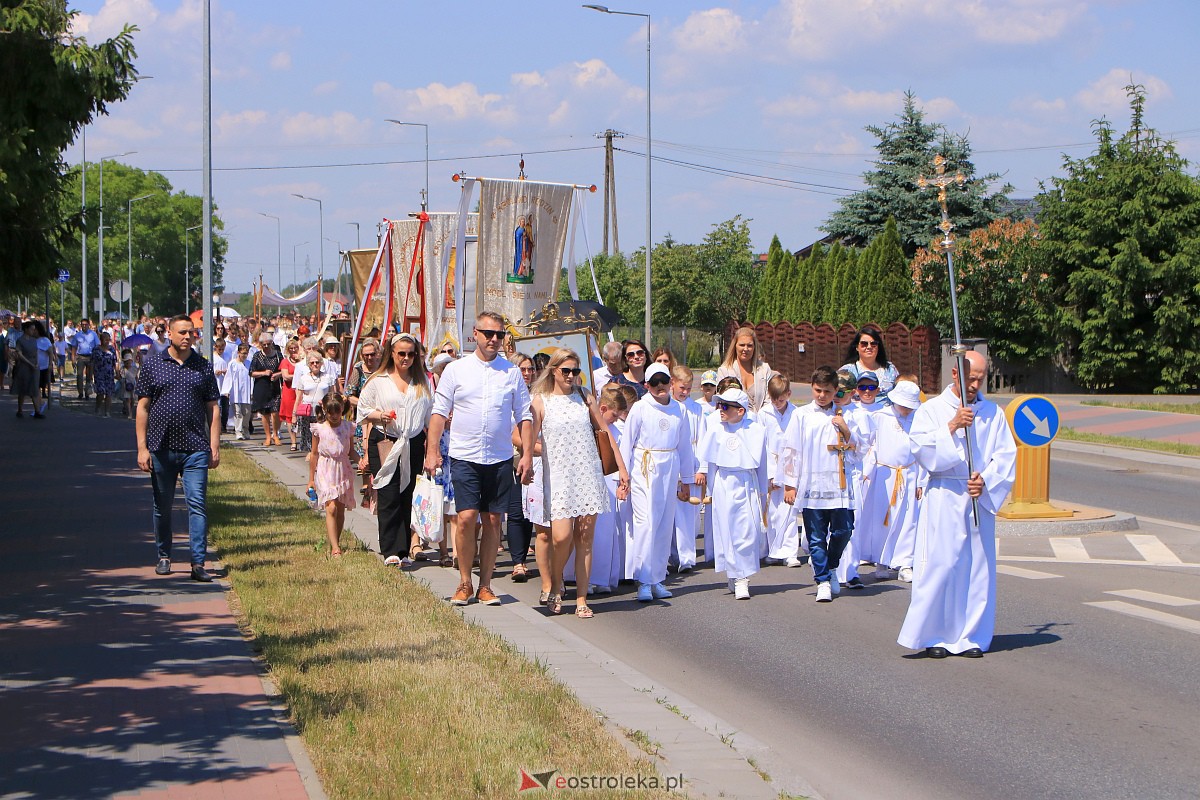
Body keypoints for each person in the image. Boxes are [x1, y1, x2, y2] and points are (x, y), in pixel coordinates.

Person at [898, 351, 1017, 659]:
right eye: (971, 379)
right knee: (942, 565)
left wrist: (986, 480)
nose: (975, 385)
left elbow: (1005, 455)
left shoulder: (993, 413)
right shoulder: (932, 409)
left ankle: (971, 636)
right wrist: (951, 426)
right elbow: (920, 449)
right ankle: (935, 635)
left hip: (977, 496)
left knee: (977, 568)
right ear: (956, 375)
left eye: (980, 379)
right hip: (945, 495)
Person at [425, 312, 533, 606]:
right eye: (488, 334)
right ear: (475, 334)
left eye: (499, 335)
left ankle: (485, 585)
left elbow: (524, 415)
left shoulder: (511, 373)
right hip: (465, 455)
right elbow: (439, 412)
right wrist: (432, 451)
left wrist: (526, 455)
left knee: (493, 520)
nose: (494, 340)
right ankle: (464, 582)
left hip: (499, 457)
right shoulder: (456, 370)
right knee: (466, 518)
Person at [531, 348, 629, 617]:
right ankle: (555, 584)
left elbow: (605, 432)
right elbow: (528, 437)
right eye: (566, 371)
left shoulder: (585, 396)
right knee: (561, 537)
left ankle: (582, 599)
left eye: (575, 371)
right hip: (560, 477)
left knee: (585, 538)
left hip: (588, 474)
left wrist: (621, 468)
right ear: (553, 371)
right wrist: (527, 458)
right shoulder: (540, 401)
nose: (571, 376)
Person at [135, 314, 222, 582]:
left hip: (195, 448)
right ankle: (164, 555)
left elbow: (213, 408)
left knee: (197, 504)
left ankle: (198, 562)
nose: (187, 337)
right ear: (169, 334)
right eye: (182, 332)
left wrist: (214, 445)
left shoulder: (203, 367)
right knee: (162, 506)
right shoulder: (153, 365)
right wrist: (142, 448)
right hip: (161, 447)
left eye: (191, 332)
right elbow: (142, 407)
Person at [782, 367, 868, 603]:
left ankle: (831, 566)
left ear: (835, 390)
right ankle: (822, 581)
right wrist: (790, 484)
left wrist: (846, 430)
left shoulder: (846, 415)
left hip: (839, 485)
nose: (822, 396)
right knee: (816, 537)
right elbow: (791, 450)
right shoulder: (802, 415)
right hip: (813, 483)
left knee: (844, 530)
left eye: (827, 391)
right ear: (812, 388)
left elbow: (860, 452)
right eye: (818, 390)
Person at [620, 363, 696, 603]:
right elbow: (627, 443)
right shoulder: (640, 408)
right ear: (646, 385)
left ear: (670, 382)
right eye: (654, 382)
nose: (660, 386)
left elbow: (684, 446)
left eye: (664, 381)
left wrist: (686, 480)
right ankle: (643, 580)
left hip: (669, 468)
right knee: (646, 523)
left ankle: (657, 578)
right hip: (644, 468)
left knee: (664, 523)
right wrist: (624, 477)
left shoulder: (679, 410)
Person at [358, 333, 433, 567]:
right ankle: (390, 549)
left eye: (411, 354)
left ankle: (403, 550)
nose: (406, 358)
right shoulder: (379, 380)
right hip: (385, 440)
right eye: (401, 353)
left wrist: (433, 446)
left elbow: (430, 417)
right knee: (388, 493)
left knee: (408, 494)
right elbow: (363, 409)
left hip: (412, 442)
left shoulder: (422, 382)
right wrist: (379, 415)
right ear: (391, 354)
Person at [694, 388, 769, 600]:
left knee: (746, 531)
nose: (721, 409)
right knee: (726, 530)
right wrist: (710, 491)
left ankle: (743, 577)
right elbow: (712, 464)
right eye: (719, 405)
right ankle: (735, 574)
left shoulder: (756, 430)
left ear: (741, 411)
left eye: (726, 406)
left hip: (746, 482)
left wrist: (762, 492)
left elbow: (762, 464)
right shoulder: (716, 430)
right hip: (724, 482)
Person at [857, 379, 924, 583]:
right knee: (883, 519)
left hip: (909, 473)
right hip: (884, 475)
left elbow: (923, 451)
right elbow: (868, 445)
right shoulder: (880, 417)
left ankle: (904, 562)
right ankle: (882, 560)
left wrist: (921, 480)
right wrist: (866, 471)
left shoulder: (918, 420)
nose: (906, 410)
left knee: (908, 519)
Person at [759, 374, 805, 569]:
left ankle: (790, 552)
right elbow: (762, 444)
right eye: (774, 399)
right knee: (772, 511)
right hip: (771, 463)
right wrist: (769, 474)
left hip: (790, 465)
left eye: (781, 400)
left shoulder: (797, 413)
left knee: (790, 510)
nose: (777, 404)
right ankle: (774, 550)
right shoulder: (764, 413)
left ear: (788, 394)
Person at [308, 393, 357, 558]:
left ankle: (335, 539)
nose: (334, 415)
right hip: (325, 469)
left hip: (343, 469)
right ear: (324, 410)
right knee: (331, 507)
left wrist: (362, 461)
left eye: (337, 412)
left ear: (342, 409)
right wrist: (311, 479)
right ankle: (335, 548)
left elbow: (351, 451)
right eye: (330, 412)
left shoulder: (347, 427)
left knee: (340, 509)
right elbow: (314, 454)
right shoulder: (319, 429)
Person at [507, 353, 538, 583]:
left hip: (533, 459)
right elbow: (512, 433)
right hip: (510, 458)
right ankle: (517, 562)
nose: (527, 373)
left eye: (530, 369)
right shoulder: (507, 393)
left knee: (529, 512)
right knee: (516, 510)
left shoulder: (537, 396)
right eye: (523, 369)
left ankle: (523, 558)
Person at [669, 365, 703, 574]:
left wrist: (702, 469)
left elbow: (703, 439)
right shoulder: (668, 406)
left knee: (690, 515)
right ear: (672, 383)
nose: (685, 392)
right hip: (673, 463)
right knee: (672, 515)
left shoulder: (696, 408)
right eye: (682, 388)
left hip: (692, 463)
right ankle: (674, 555)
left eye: (689, 389)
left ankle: (687, 557)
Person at [717, 326, 778, 413]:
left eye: (749, 345)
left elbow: (769, 399)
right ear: (735, 346)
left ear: (754, 347)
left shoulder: (765, 369)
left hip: (762, 418)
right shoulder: (724, 371)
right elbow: (722, 401)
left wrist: (760, 418)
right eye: (742, 345)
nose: (746, 349)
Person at [841, 327, 899, 404]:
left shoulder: (890, 369)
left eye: (873, 344)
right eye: (864, 344)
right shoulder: (846, 371)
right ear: (857, 347)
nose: (869, 347)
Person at [293, 350, 336, 455]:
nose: (315, 364)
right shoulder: (303, 378)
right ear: (308, 364)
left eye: (317, 362)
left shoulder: (328, 378)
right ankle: (311, 455)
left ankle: (319, 455)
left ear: (321, 363)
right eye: (312, 362)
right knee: (308, 436)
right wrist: (294, 415)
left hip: (323, 412)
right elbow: (298, 398)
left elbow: (332, 395)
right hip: (307, 412)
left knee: (323, 435)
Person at [250, 334, 284, 445]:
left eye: (268, 344)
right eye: (263, 344)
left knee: (275, 412)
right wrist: (264, 373)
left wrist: (278, 375)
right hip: (262, 387)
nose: (266, 346)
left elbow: (284, 370)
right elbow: (251, 372)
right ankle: (268, 436)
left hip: (275, 387)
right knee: (264, 413)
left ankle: (275, 434)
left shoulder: (278, 355)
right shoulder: (257, 356)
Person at [11, 321, 43, 418]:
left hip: (34, 366)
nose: (33, 331)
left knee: (35, 388)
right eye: (31, 329)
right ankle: (20, 410)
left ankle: (37, 411)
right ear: (26, 329)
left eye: (34, 329)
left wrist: (36, 362)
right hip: (24, 366)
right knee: (23, 388)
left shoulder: (34, 340)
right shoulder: (20, 340)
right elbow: (20, 354)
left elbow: (36, 352)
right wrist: (30, 363)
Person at [222, 344, 253, 440]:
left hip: (246, 392)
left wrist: (252, 391)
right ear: (238, 353)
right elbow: (228, 377)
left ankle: (245, 429)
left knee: (246, 413)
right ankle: (238, 431)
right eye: (243, 353)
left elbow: (252, 378)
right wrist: (227, 390)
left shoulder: (249, 363)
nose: (244, 355)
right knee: (238, 412)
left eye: (246, 353)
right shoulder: (232, 364)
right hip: (236, 392)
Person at [280, 338, 304, 451]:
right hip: (289, 391)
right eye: (291, 348)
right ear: (287, 350)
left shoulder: (302, 361)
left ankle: (304, 439)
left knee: (303, 414)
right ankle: (293, 441)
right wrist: (298, 375)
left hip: (301, 390)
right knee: (290, 416)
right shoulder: (285, 362)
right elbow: (285, 376)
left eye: (295, 348)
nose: (293, 350)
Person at [72, 318, 100, 399]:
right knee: (79, 375)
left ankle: (87, 392)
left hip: (90, 357)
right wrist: (73, 359)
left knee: (89, 376)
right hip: (81, 357)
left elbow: (97, 345)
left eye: (86, 324)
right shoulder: (77, 335)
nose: (84, 326)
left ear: (88, 325)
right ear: (81, 325)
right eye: (83, 324)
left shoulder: (93, 334)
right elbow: (74, 347)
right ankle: (80, 393)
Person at [92, 331, 118, 417]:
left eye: (108, 339)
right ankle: (98, 408)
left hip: (109, 374)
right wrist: (90, 375)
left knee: (109, 393)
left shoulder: (112, 349)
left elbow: (115, 362)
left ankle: (107, 411)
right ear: (101, 340)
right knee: (100, 392)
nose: (107, 341)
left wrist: (117, 372)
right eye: (105, 339)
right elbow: (92, 362)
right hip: (99, 374)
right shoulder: (96, 349)